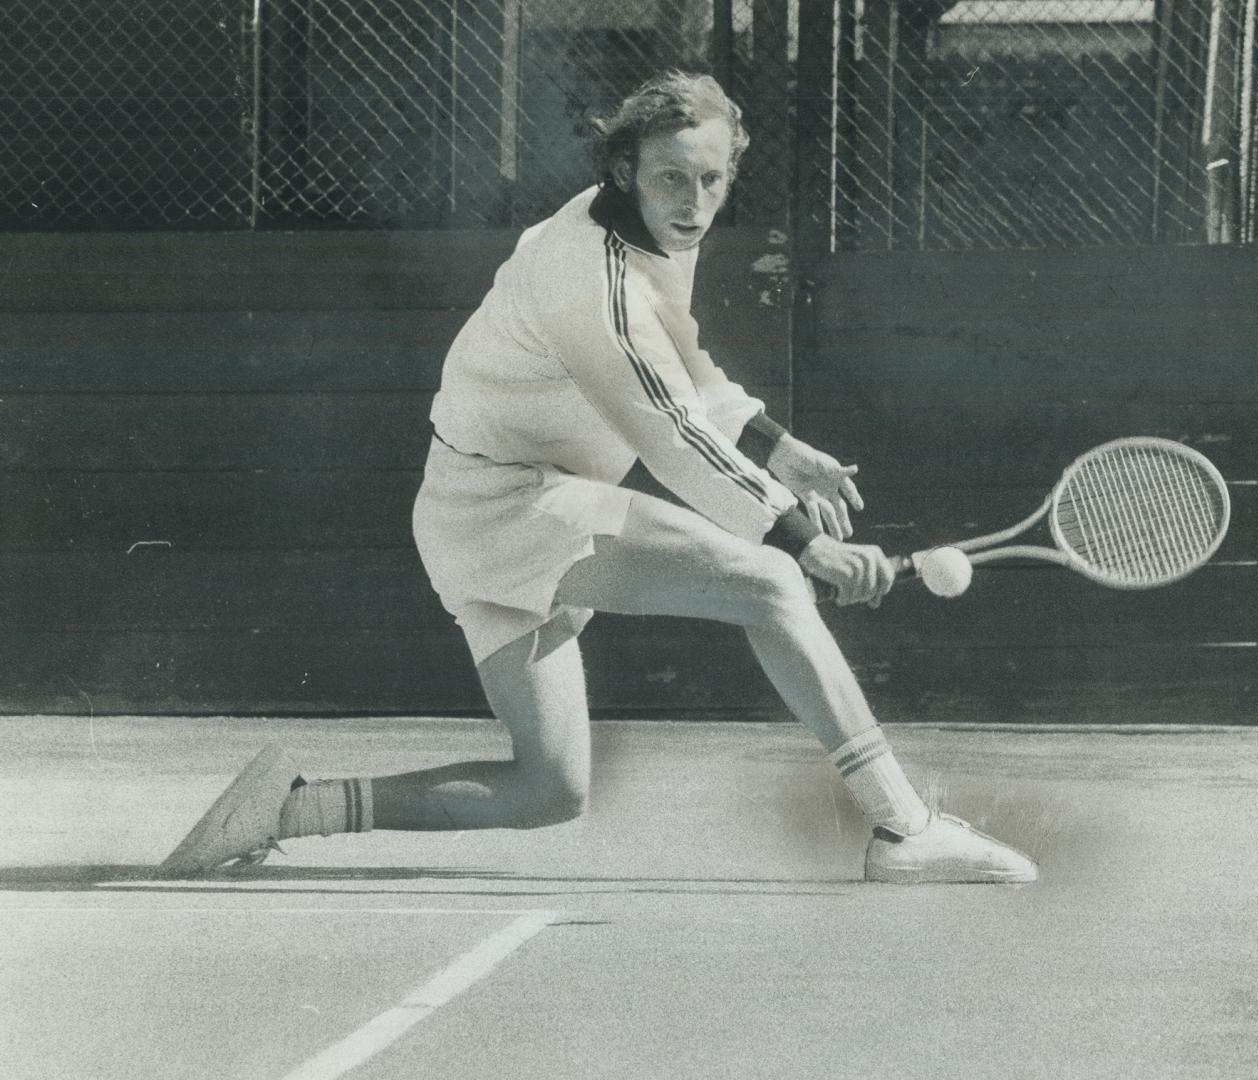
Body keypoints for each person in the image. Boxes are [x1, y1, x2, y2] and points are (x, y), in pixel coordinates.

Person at [159, 72, 1036, 885]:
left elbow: (680, 367)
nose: (695, 203)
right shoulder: (590, 273)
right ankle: (902, 828)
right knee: (770, 583)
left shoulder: (645, 233)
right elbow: (668, 431)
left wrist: (779, 446)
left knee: (547, 789)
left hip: (489, 508)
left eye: (714, 179)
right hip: (506, 502)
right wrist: (805, 544)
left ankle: (290, 808)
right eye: (672, 179)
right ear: (626, 167)